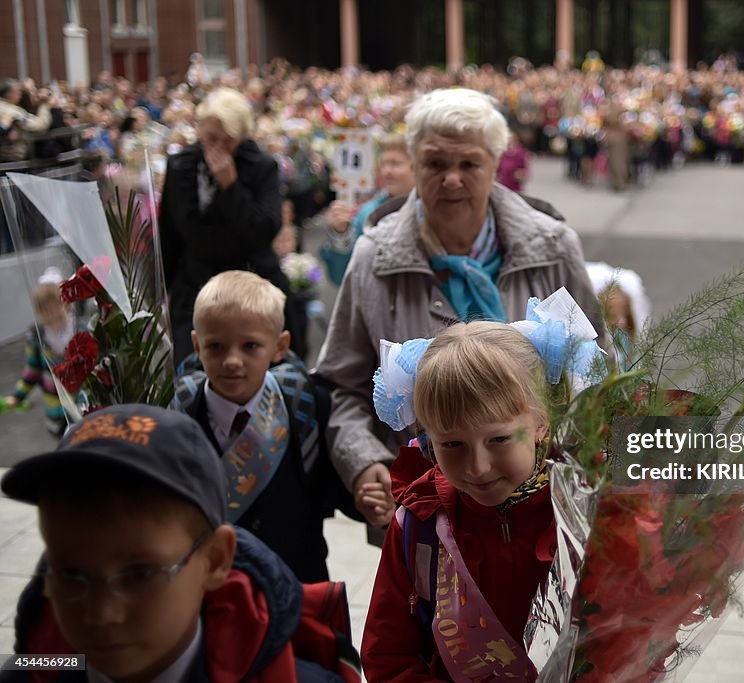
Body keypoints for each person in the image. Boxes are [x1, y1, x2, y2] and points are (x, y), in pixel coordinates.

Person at [315, 88, 604, 531]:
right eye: (435, 164)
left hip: (544, 512)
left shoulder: (553, 247)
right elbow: (341, 385)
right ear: (414, 166)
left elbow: (601, 375)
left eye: (469, 164)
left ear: (495, 165)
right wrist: (364, 462)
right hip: (424, 514)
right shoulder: (374, 256)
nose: (452, 179)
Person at [0, 404, 361, 682]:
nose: (100, 613)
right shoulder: (33, 669)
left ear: (217, 559)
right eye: (70, 574)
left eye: (139, 573)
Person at [361, 290, 603, 680]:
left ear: (541, 422)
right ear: (427, 438)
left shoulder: (587, 507)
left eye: (499, 440)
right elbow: (387, 651)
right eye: (452, 444)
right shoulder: (420, 524)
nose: (478, 466)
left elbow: (634, 630)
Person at [171, 270, 333, 582]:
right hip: (210, 594)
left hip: (297, 586)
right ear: (196, 344)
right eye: (216, 346)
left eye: (250, 346)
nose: (232, 360)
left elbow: (331, 488)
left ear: (280, 346)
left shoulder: (307, 404)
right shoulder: (177, 418)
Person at [159, 87, 306, 365]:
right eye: (211, 137)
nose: (217, 147)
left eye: (227, 141)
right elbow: (170, 234)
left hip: (252, 279)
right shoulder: (181, 166)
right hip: (196, 284)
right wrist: (162, 290)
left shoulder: (261, 166)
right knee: (194, 369)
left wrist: (230, 187)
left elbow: (264, 229)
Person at [316, 133, 416, 287]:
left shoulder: (433, 211)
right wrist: (341, 233)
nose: (387, 171)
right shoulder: (367, 213)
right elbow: (342, 277)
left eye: (395, 164)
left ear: (417, 167)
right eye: (384, 164)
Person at [3, 271, 73, 437]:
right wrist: (17, 397)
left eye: (53, 305)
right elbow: (32, 370)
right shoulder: (36, 336)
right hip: (56, 410)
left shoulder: (78, 328)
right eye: (43, 308)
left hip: (82, 405)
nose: (49, 313)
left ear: (63, 303)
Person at [0, 79, 52, 162]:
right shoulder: (13, 112)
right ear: (10, 94)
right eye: (18, 92)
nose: (20, 96)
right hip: (12, 159)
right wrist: (44, 104)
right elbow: (40, 124)